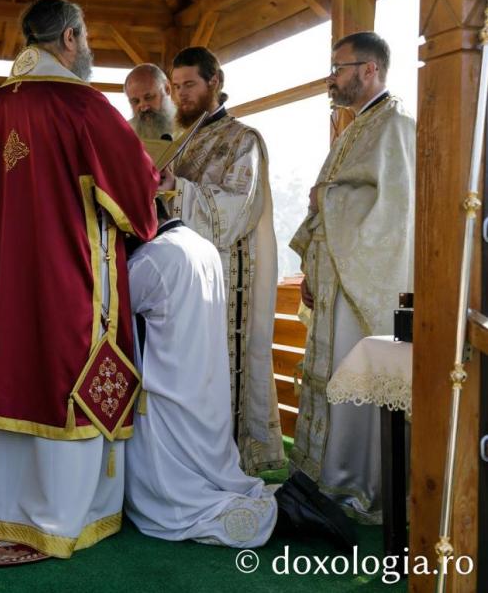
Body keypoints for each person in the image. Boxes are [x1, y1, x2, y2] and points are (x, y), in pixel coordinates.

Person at [0, 0, 160, 558]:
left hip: (13, 277)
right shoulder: (82, 104)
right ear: (72, 38)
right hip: (74, 277)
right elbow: (136, 193)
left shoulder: (0, 105)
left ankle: (5, 512)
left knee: (18, 369)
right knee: (64, 373)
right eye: (87, 37)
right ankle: (67, 518)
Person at [125, 198, 355, 549]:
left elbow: (113, 303)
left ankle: (283, 513)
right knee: (211, 472)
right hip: (205, 389)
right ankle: (294, 499)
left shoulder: (151, 259)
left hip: (168, 394)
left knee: (166, 504)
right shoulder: (201, 245)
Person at [290, 31, 415, 523]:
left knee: (354, 381)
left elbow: (396, 215)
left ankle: (353, 485)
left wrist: (329, 198)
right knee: (331, 379)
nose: (333, 77)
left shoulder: (397, 126)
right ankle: (324, 478)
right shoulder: (356, 127)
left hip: (361, 289)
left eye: (340, 67)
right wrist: (311, 267)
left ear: (370, 70)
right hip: (335, 282)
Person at [167, 46, 285, 475]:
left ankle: (231, 458)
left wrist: (175, 189)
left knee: (222, 365)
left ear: (214, 82)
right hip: (186, 281)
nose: (181, 95)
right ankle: (194, 456)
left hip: (228, 279)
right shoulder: (183, 143)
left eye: (190, 85)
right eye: (176, 87)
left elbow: (234, 212)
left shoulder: (243, 140)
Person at [124, 63, 177, 140]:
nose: (143, 107)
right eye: (135, 101)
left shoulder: (189, 128)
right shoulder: (125, 134)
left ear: (167, 89)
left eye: (149, 98)